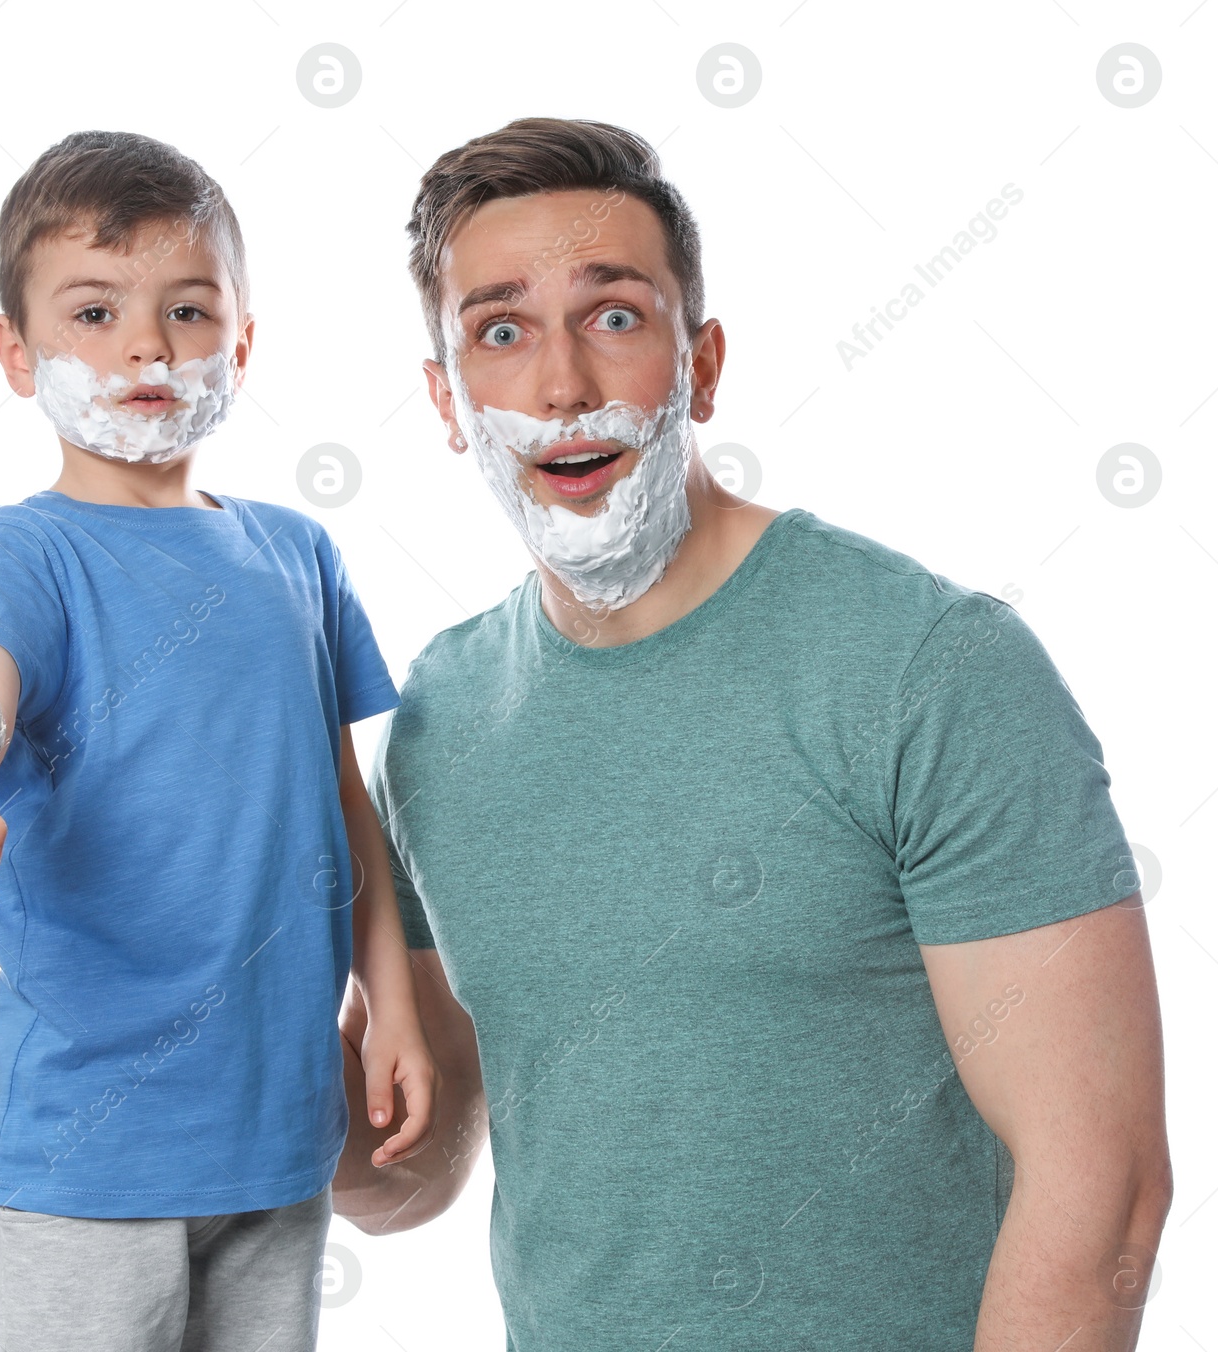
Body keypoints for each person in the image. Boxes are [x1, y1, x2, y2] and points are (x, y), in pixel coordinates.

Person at [331, 117, 1172, 1351]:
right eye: (498, 332)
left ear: (701, 363)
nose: (560, 383)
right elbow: (420, 1160)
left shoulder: (928, 668)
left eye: (612, 315)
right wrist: (244, 1073)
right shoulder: (440, 721)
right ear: (448, 401)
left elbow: (1103, 1192)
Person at [0, 129, 437, 1352]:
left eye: (188, 309)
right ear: (14, 354)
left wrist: (392, 1002)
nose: (146, 345)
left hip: (279, 1133)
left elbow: (345, 805)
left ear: (242, 340)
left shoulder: (299, 555)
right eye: (94, 310)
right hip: (86, 1148)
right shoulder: (27, 553)